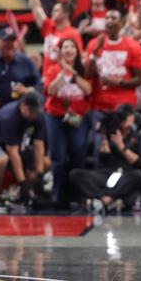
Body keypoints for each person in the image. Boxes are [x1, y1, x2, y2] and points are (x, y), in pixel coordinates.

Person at [43, 38, 93, 205]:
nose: (69, 50)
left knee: (78, 154)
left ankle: (78, 195)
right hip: (56, 116)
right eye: (65, 47)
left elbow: (88, 89)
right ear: (60, 51)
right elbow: (50, 90)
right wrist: (62, 74)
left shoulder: (84, 70)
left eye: (72, 47)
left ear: (77, 51)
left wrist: (73, 73)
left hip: (77, 117)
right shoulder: (52, 69)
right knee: (59, 157)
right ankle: (58, 195)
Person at [69, 105, 141, 214]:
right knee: (75, 174)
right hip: (106, 173)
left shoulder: (136, 135)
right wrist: (104, 138)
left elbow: (139, 163)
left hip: (124, 174)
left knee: (138, 176)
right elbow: (103, 159)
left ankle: (106, 199)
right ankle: (106, 199)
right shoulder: (110, 132)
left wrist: (121, 146)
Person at [85, 8, 141, 116]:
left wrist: (118, 82)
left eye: (113, 18)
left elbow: (139, 80)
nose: (109, 20)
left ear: (121, 23)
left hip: (124, 105)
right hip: (100, 105)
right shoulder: (94, 44)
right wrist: (95, 51)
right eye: (107, 18)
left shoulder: (133, 46)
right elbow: (88, 74)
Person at [0, 92, 46, 206]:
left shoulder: (38, 116)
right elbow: (13, 153)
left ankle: (28, 195)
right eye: (31, 111)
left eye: (36, 112)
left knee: (45, 163)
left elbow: (39, 145)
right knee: (2, 160)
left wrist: (40, 175)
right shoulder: (9, 117)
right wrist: (23, 182)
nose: (34, 115)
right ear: (23, 105)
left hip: (19, 145)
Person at [0, 27, 38, 113]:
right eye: (6, 41)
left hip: (18, 116)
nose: (10, 44)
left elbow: (39, 86)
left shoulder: (25, 62)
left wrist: (26, 90)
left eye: (12, 41)